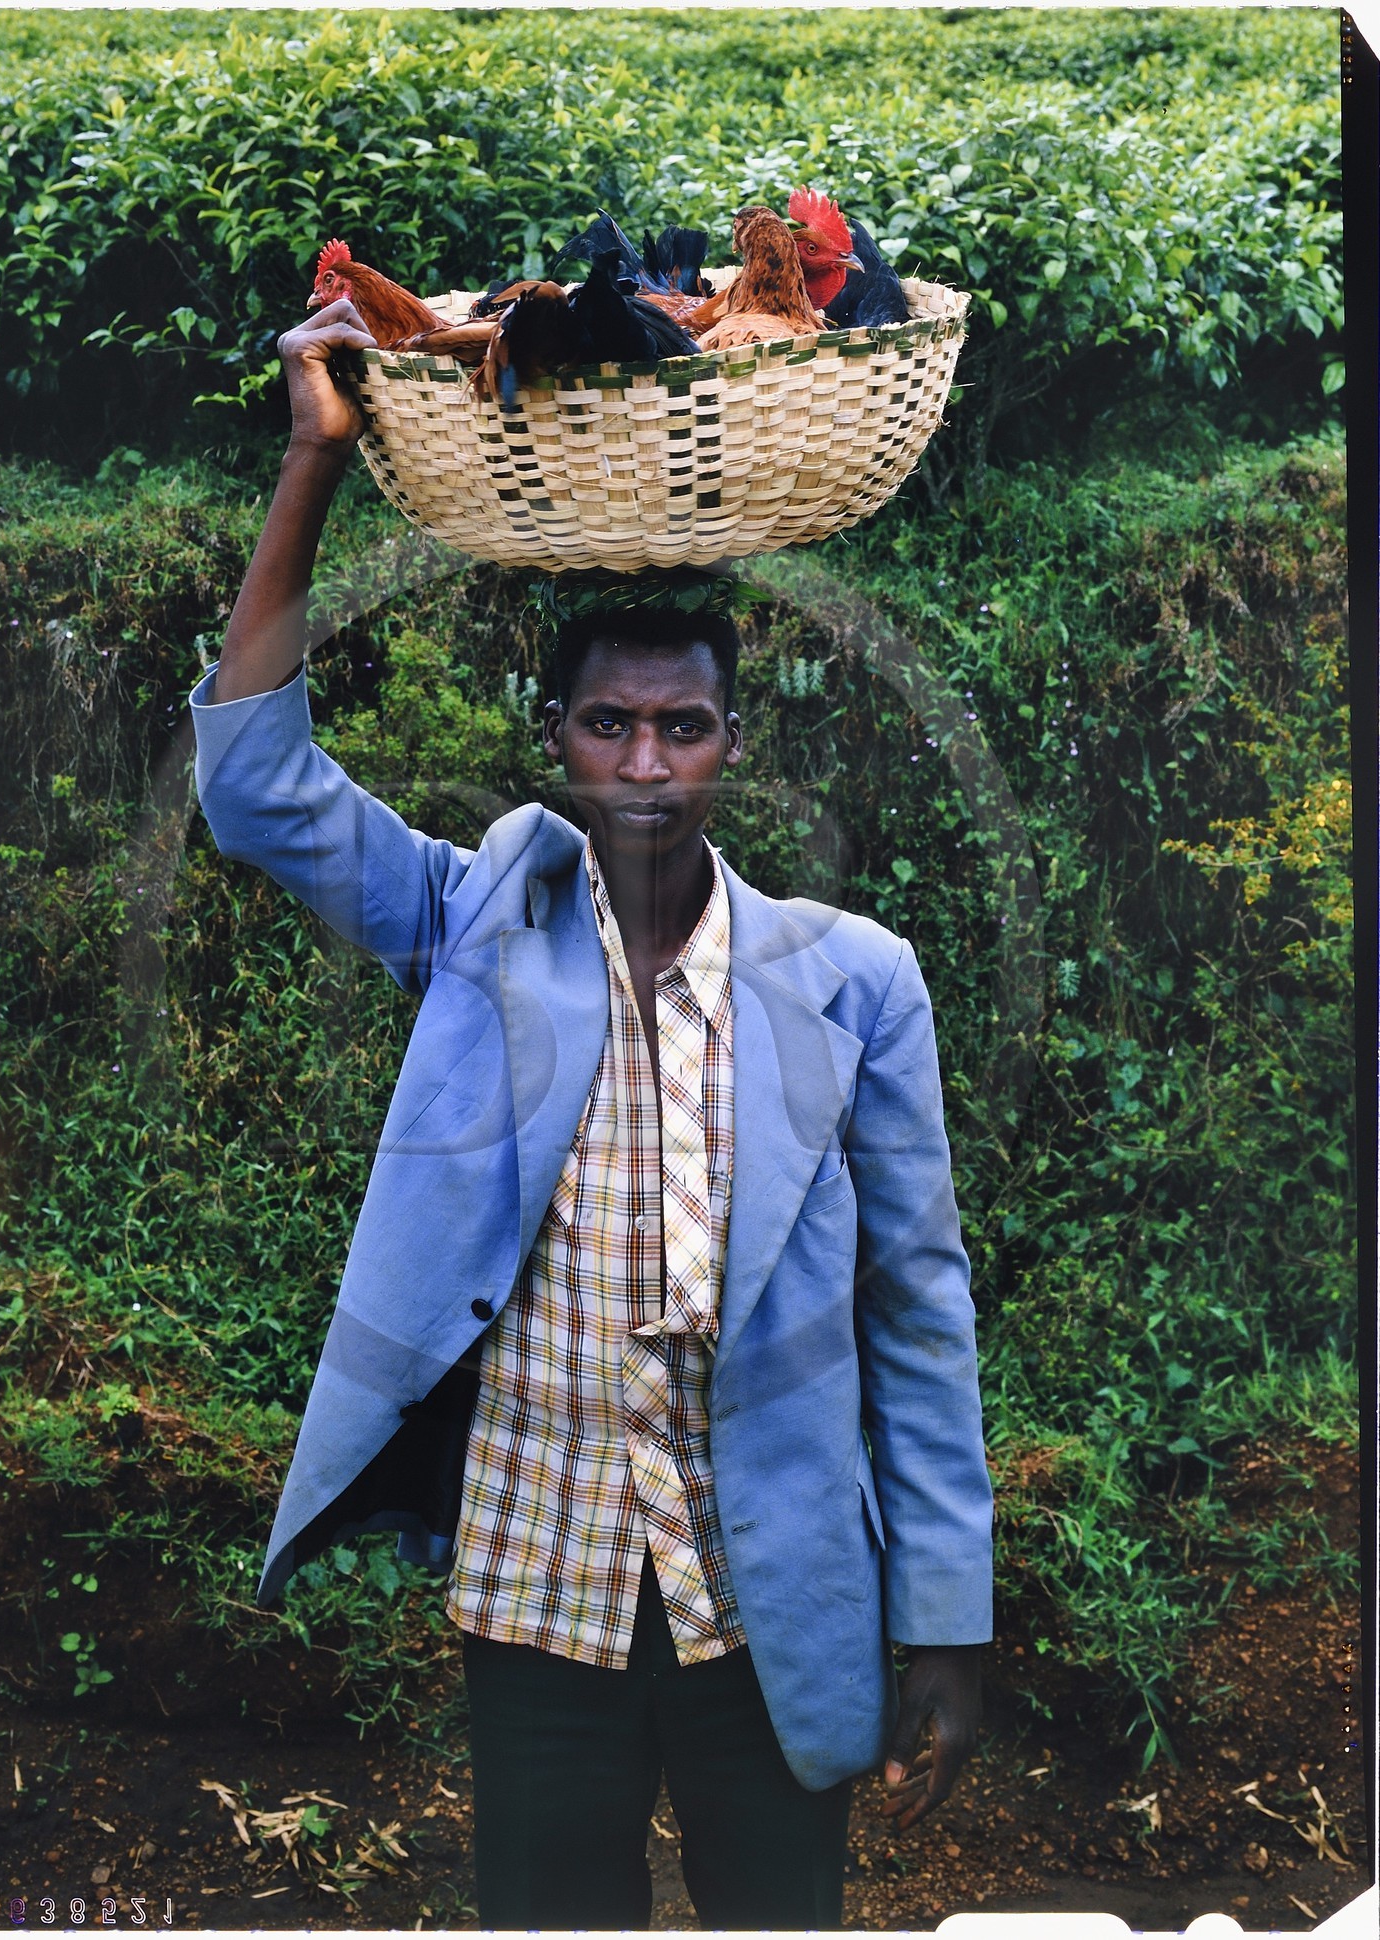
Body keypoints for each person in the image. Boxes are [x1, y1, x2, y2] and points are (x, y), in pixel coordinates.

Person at [189, 297, 993, 1930]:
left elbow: (917, 1309)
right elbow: (256, 790)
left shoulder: (855, 983)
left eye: (681, 726)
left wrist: (950, 1618)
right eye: (609, 725)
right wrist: (310, 459)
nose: (645, 762)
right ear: (555, 745)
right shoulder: (478, 921)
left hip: (771, 1601)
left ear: (732, 749)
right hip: (537, 1586)